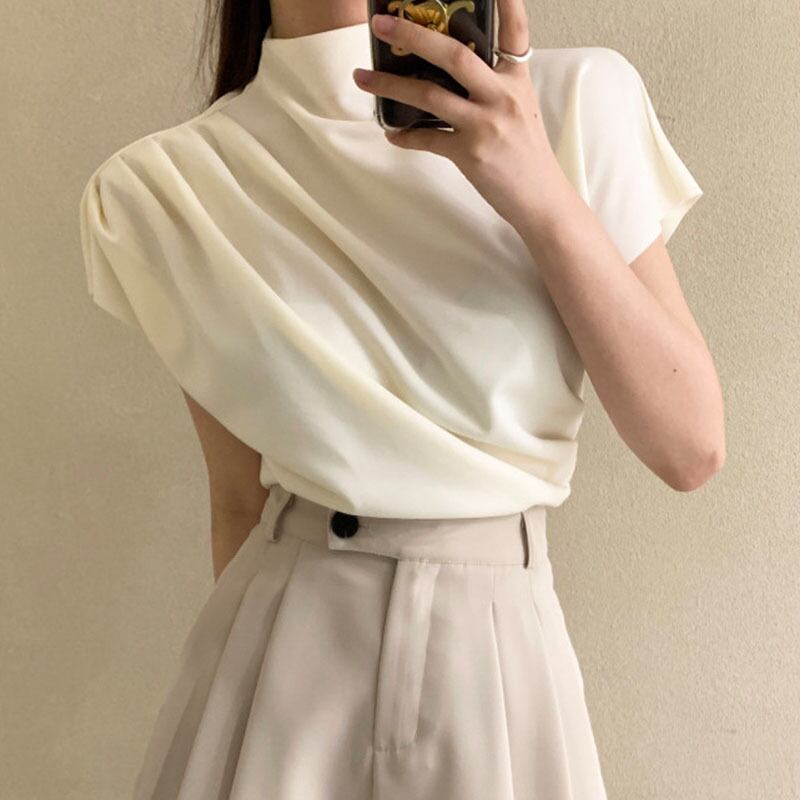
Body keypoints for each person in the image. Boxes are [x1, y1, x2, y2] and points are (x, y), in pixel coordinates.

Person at [78, 0, 725, 796]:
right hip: (281, 657)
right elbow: (238, 503)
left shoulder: (572, 102)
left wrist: (537, 188)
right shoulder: (167, 184)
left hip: (499, 660)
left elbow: (690, 446)